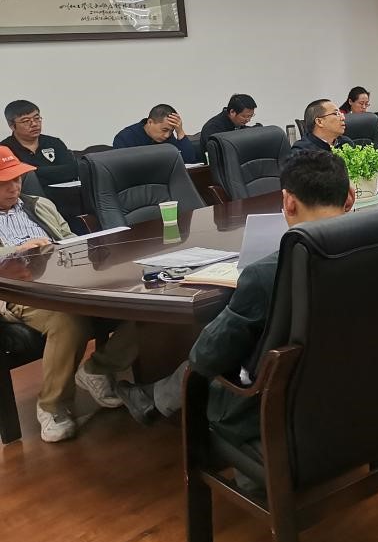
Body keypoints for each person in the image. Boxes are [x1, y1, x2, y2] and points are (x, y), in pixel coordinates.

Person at [115, 151, 355, 448]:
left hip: (266, 407)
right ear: (349, 198)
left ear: (288, 202)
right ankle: (152, 397)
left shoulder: (267, 273)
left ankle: (154, 400)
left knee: (217, 346)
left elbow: (205, 357)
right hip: (353, 385)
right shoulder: (374, 247)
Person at [0, 146, 136, 442]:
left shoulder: (40, 204)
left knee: (141, 299)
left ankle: (99, 368)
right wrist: (19, 249)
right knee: (68, 322)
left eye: (17, 179)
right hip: (20, 294)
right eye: (4, 183)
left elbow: (71, 239)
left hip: (66, 281)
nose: (14, 187)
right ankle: (51, 406)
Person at [1, 100, 78, 185]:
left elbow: (72, 171)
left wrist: (32, 171)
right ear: (11, 126)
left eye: (37, 118)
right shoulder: (4, 149)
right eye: (26, 121)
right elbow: (17, 180)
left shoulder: (54, 142)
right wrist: (54, 172)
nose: (34, 124)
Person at [112, 103, 199, 163]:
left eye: (171, 131)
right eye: (164, 130)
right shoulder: (125, 138)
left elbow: (189, 160)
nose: (167, 135)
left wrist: (180, 131)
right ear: (150, 122)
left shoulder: (168, 138)